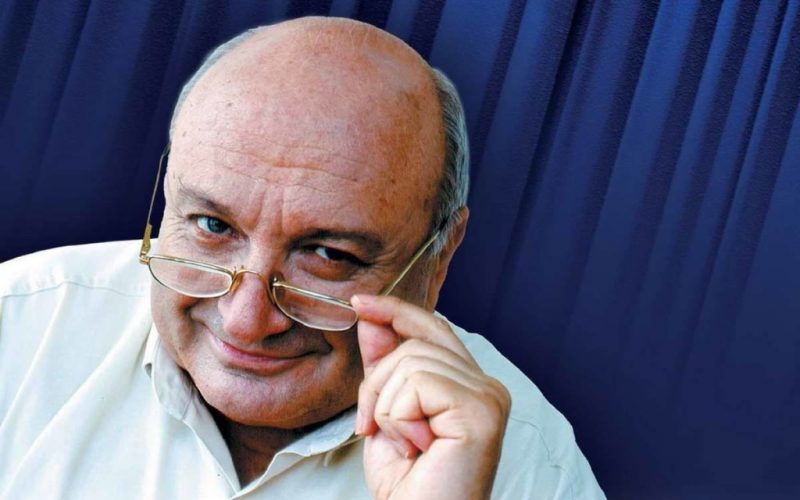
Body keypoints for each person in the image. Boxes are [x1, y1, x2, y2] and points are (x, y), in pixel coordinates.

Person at [0, 16, 604, 499]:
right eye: (212, 226)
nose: (246, 320)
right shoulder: (20, 324)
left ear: (439, 257)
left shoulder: (526, 463)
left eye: (327, 255)